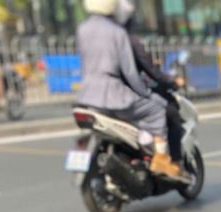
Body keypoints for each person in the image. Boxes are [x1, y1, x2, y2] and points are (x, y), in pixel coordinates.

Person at [75, 0, 184, 180]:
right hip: (113, 95)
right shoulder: (117, 32)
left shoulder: (82, 29)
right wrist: (146, 94)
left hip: (86, 96)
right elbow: (130, 73)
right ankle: (161, 160)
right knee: (156, 111)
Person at [115, 0, 184, 166]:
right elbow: (150, 71)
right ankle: (170, 163)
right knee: (170, 112)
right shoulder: (129, 41)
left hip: (97, 97)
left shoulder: (101, 39)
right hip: (127, 95)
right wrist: (172, 81)